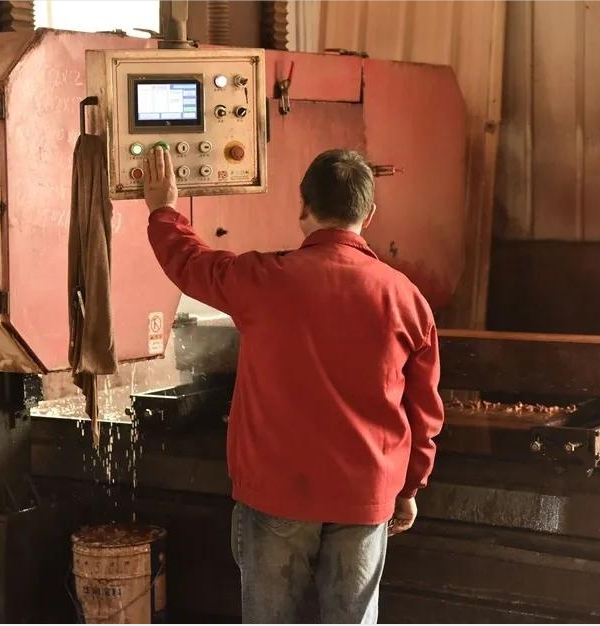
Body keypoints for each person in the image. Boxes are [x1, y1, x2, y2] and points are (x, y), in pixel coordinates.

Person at [144, 145, 444, 624]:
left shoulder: (262, 279)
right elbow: (424, 411)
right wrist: (410, 486)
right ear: (369, 214)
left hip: (276, 495)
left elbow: (189, 261)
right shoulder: (407, 299)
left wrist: (164, 210)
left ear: (304, 206)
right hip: (364, 497)